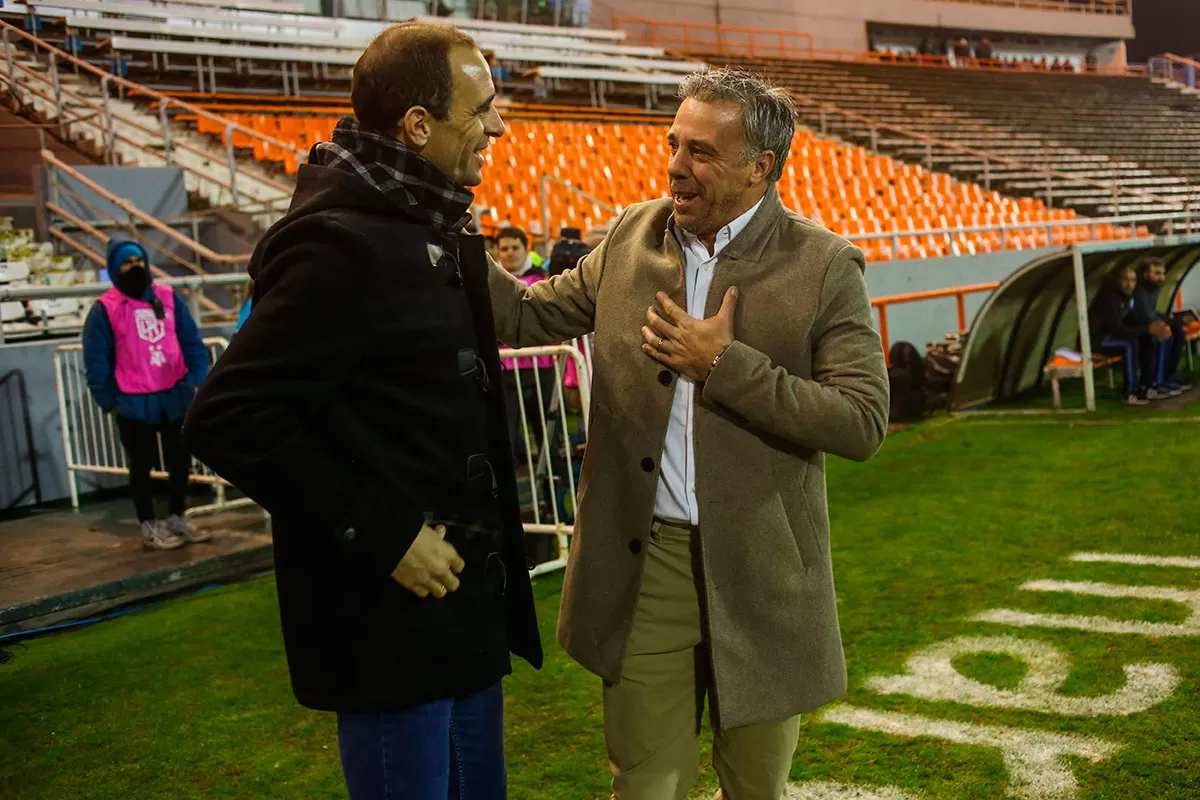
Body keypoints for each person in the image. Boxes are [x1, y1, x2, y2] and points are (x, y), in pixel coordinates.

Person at [488, 68, 889, 799]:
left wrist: (724, 366)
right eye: (675, 143)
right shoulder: (630, 237)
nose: (676, 165)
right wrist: (439, 227)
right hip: (647, 565)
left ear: (759, 167)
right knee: (644, 787)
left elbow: (862, 421)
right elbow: (522, 317)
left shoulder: (823, 263)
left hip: (762, 568)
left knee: (755, 787)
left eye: (702, 152)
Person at [182, 22, 541, 799]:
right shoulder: (340, 245)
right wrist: (382, 534)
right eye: (482, 110)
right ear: (418, 125)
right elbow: (229, 416)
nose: (500, 126)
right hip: (393, 628)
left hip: (456, 621)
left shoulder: (423, 220)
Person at [83, 239, 211, 550]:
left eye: (139, 260)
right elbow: (96, 359)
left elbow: (190, 339)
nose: (135, 268)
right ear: (114, 268)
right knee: (141, 465)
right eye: (127, 263)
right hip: (133, 400)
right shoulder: (105, 310)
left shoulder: (167, 297)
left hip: (173, 394)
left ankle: (178, 516)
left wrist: (197, 378)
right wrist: (108, 400)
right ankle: (149, 524)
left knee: (180, 460)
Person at [1089, 264, 1171, 406]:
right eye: (1125, 280)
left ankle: (1149, 385)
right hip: (1098, 341)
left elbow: (1132, 322)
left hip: (1114, 337)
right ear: (1117, 281)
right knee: (1130, 344)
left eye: (1133, 280)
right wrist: (1147, 328)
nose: (1130, 285)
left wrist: (1155, 327)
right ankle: (1129, 392)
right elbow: (1117, 329)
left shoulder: (1127, 298)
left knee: (1149, 338)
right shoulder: (1110, 299)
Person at [1130, 257, 1192, 394]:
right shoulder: (1139, 290)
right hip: (1135, 329)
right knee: (1164, 333)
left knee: (1178, 331)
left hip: (1148, 324)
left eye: (1162, 273)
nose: (1162, 278)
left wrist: (1175, 320)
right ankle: (1155, 381)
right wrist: (1164, 322)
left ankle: (1168, 375)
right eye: (1157, 273)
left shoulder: (1154, 288)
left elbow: (1153, 312)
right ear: (1146, 275)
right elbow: (1144, 315)